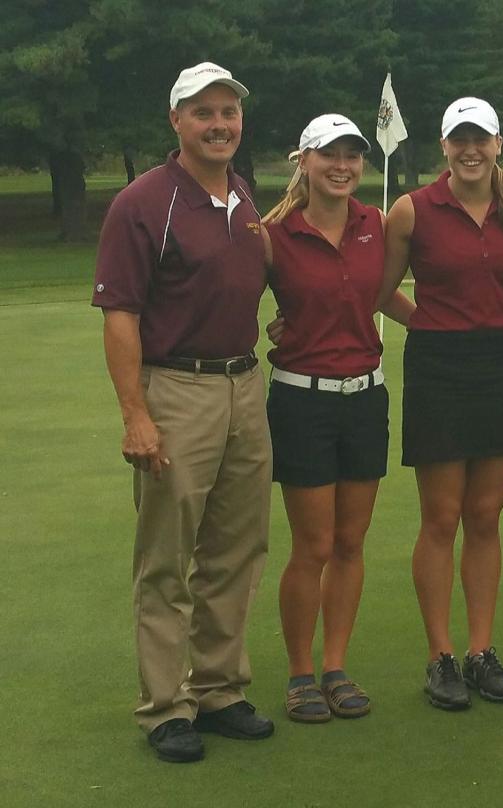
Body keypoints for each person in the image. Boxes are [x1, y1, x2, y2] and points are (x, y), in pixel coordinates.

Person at [94, 62, 274, 763]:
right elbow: (120, 316)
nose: (220, 123)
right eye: (204, 112)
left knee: (236, 548)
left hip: (243, 385)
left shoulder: (245, 197)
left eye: (229, 112)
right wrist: (135, 413)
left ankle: (219, 688)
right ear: (176, 120)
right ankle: (166, 707)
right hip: (176, 389)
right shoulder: (144, 202)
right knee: (168, 557)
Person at [377, 97, 503, 710]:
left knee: (486, 514)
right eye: (458, 140)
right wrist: (429, 322)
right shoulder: (412, 210)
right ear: (445, 147)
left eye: (481, 138)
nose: (470, 150)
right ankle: (441, 656)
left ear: (499, 142)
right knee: (442, 517)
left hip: (499, 364)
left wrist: (494, 325)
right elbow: (380, 287)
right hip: (438, 369)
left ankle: (480, 652)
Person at [260, 114, 415, 722]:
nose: (343, 165)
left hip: (365, 398)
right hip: (302, 400)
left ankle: (335, 666)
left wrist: (438, 326)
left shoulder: (375, 225)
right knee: (314, 544)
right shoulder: (272, 233)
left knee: (351, 542)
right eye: (330, 155)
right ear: (304, 160)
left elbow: (382, 296)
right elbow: (234, 297)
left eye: (352, 155)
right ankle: (301, 674)